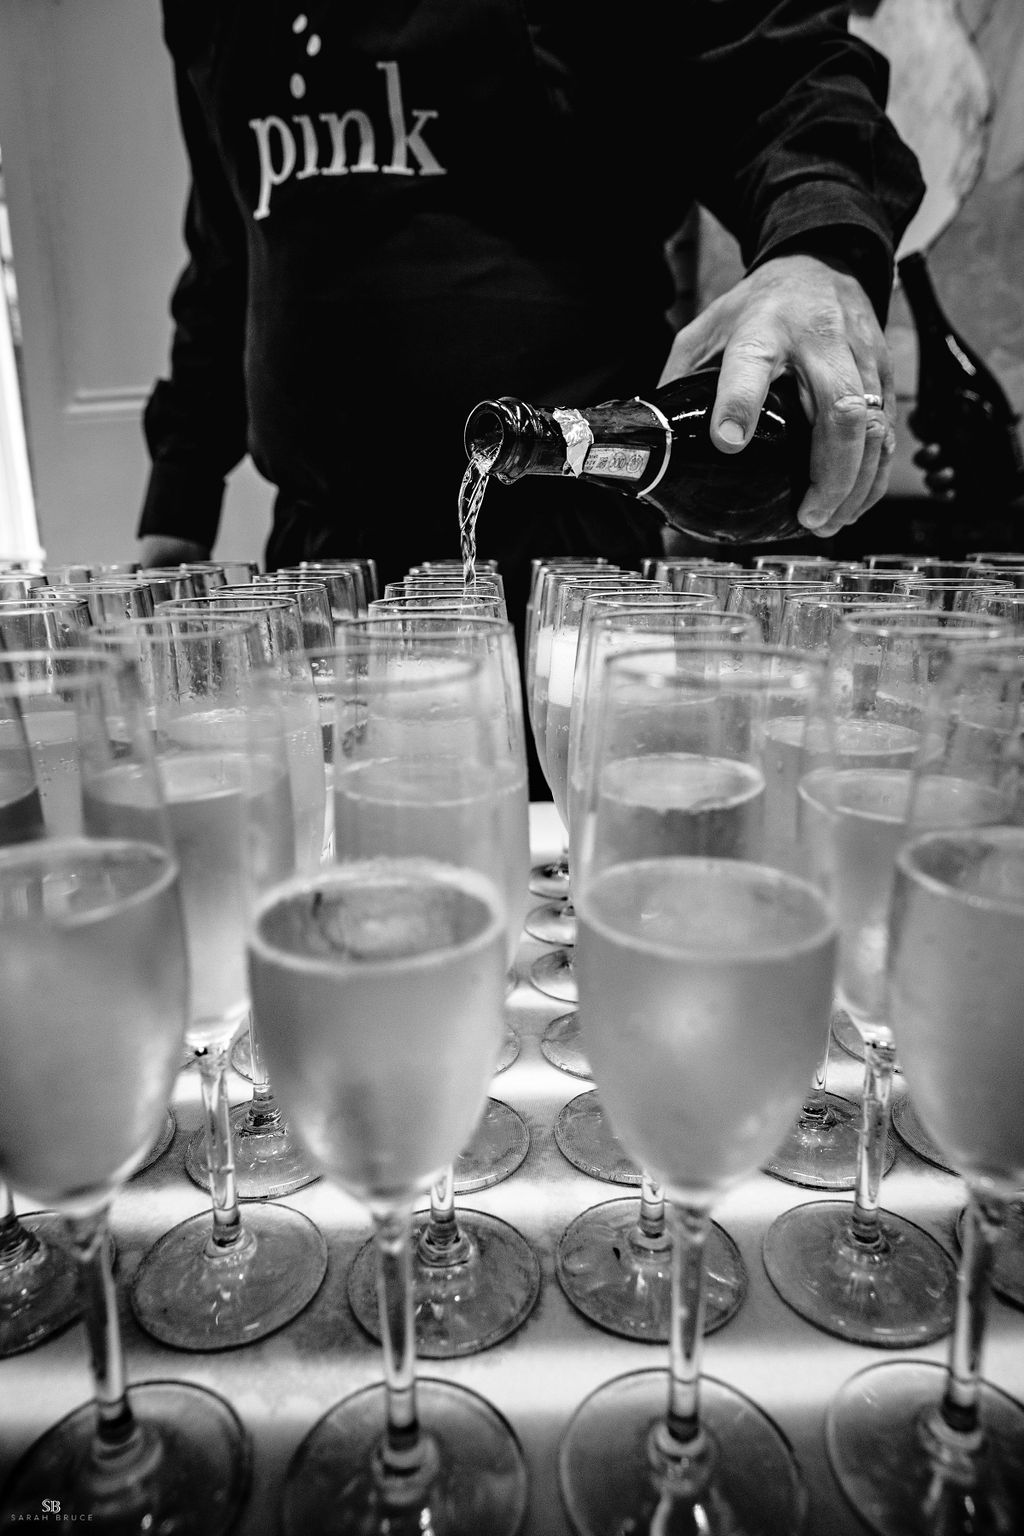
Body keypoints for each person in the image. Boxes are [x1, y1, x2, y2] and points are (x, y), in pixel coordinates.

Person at [138, 3, 923, 657]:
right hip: (320, 560)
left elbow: (780, 72)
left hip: (570, 556)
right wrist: (177, 500)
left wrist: (817, 247)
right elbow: (228, 249)